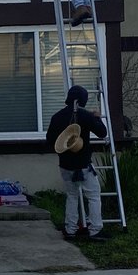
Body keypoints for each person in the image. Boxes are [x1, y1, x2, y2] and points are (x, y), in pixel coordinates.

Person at [46, 85, 110, 240]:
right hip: (83, 165)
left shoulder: (57, 116)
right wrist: (97, 118)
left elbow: (50, 141)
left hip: (65, 165)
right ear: (83, 99)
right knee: (94, 195)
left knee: (72, 196)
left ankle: (70, 229)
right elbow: (102, 133)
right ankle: (95, 230)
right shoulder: (85, 115)